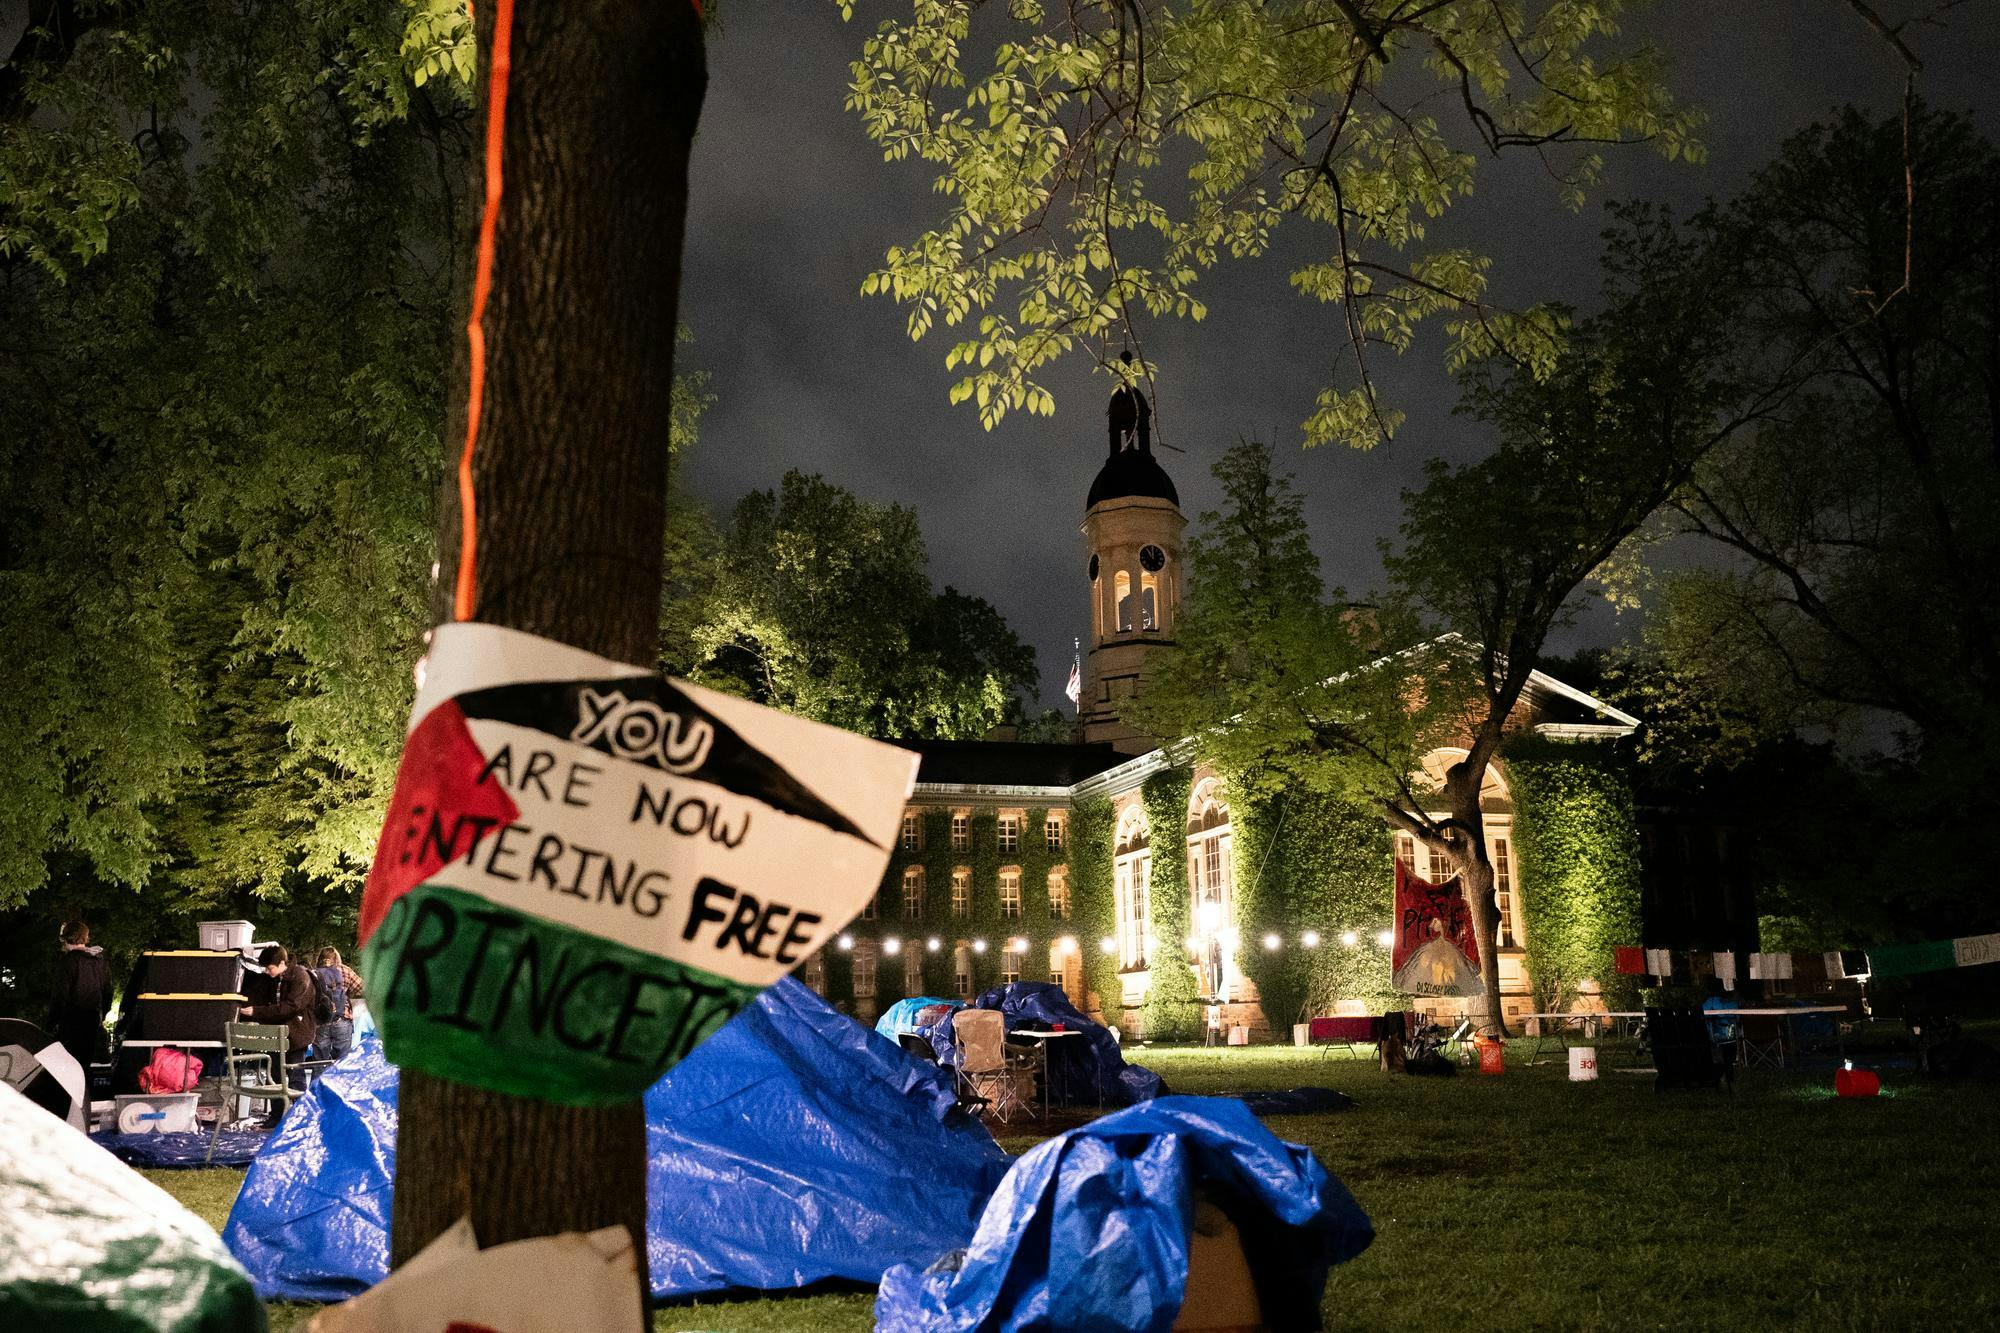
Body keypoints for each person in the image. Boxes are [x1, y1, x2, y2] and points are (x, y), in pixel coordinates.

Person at [238, 945, 317, 1080]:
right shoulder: (274, 978)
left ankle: (298, 1101)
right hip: (276, 1036)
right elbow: (258, 994)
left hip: (296, 1036)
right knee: (274, 1078)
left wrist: (256, 1012)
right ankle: (281, 1101)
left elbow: (291, 1007)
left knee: (295, 1078)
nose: (267, 972)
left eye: (270, 968)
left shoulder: (301, 977)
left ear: (281, 963)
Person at [50, 920, 112, 1070]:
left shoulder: (67, 962)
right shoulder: (100, 963)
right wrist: (101, 1016)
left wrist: (51, 1024)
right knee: (84, 1066)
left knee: (67, 1067)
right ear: (85, 937)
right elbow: (108, 992)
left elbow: (60, 996)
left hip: (70, 1022)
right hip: (91, 1021)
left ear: (66, 939)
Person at [310, 946, 365, 1064]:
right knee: (342, 1063)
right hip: (342, 1019)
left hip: (320, 1021)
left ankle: (317, 1082)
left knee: (318, 1062)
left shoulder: (314, 973)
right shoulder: (345, 970)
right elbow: (363, 989)